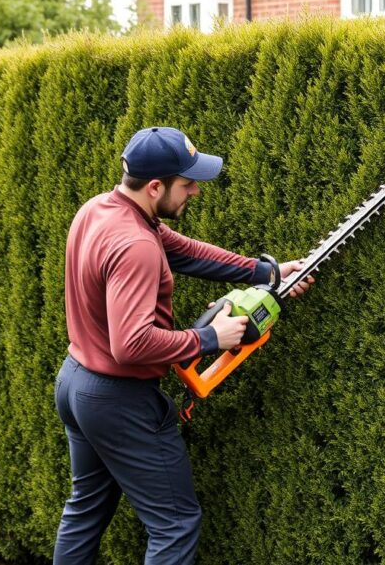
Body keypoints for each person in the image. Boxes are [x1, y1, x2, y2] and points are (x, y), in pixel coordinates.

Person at [53, 126, 314, 564]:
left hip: (76, 383)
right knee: (175, 524)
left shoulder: (102, 210)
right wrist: (212, 337)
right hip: (118, 399)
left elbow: (188, 252)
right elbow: (131, 344)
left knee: (85, 511)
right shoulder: (136, 244)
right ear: (155, 187)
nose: (195, 190)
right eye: (187, 182)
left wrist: (267, 273)